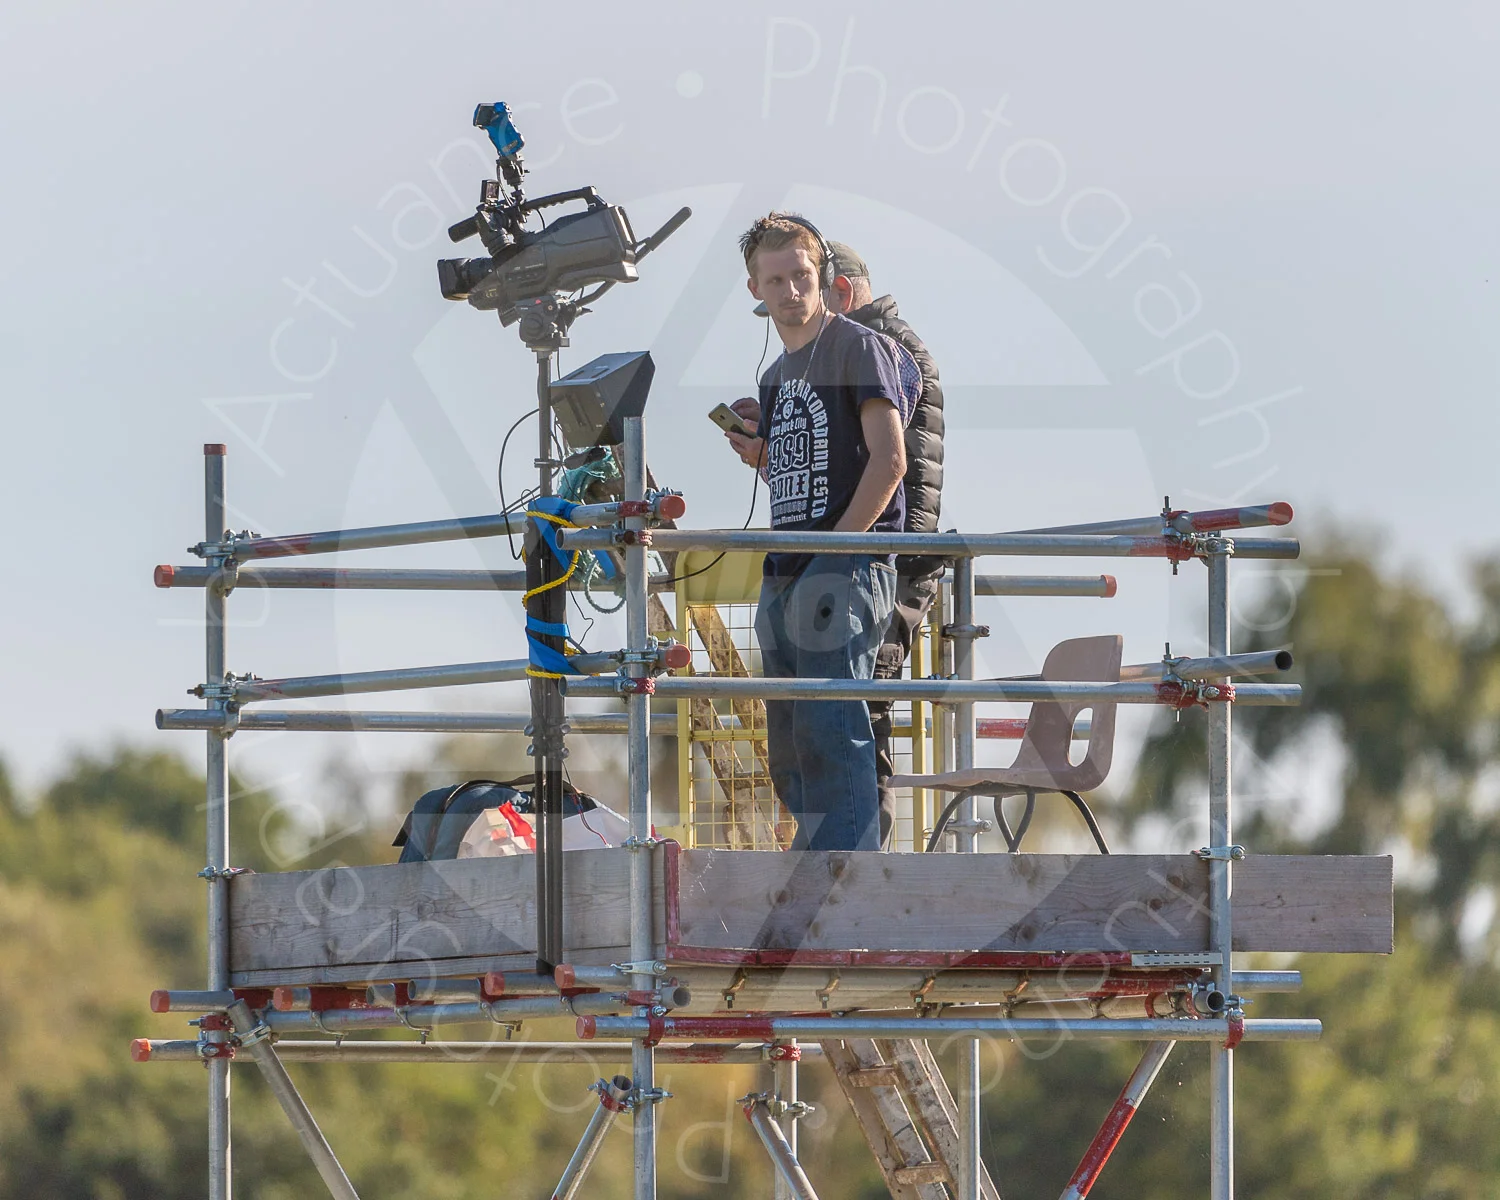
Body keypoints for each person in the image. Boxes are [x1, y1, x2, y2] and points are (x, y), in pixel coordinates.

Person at [729, 240, 945, 849]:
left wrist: (840, 550)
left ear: (824, 278)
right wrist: (764, 456)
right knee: (794, 735)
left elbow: (892, 461)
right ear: (755, 291)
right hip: (790, 565)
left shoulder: (862, 346)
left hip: (843, 565)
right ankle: (822, 865)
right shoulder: (775, 376)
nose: (790, 291)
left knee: (833, 723)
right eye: (775, 281)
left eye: (801, 276)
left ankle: (845, 881)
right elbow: (806, 476)